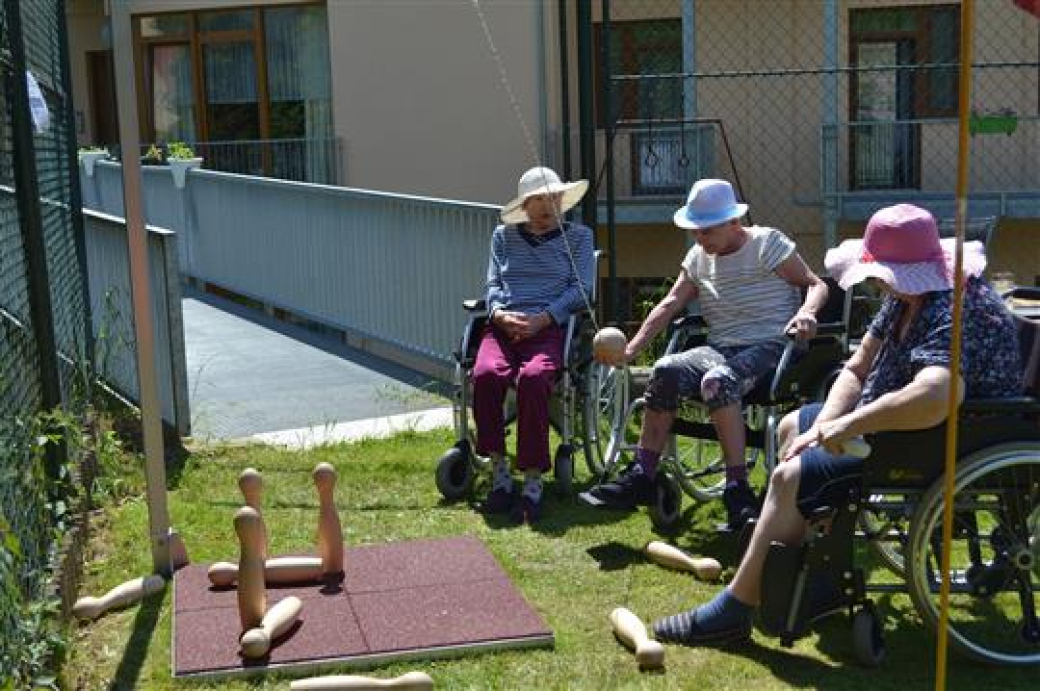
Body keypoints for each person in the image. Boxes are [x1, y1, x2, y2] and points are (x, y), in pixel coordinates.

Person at [651, 203, 1023, 647]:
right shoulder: (907, 297)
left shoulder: (956, 308)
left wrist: (848, 425)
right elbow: (858, 366)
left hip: (938, 438)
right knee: (792, 426)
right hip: (893, 426)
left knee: (790, 476)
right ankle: (814, 576)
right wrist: (825, 423)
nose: (871, 278)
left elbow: (935, 395)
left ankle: (737, 607)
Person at [589, 178, 828, 530]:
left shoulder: (767, 244)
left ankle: (737, 488)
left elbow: (816, 284)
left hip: (774, 346)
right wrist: (633, 348)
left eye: (707, 230)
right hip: (720, 348)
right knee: (666, 368)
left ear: (734, 222)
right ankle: (643, 474)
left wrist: (806, 313)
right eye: (695, 231)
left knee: (718, 381)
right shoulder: (698, 257)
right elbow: (671, 303)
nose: (700, 238)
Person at [473, 166, 595, 524]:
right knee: (485, 374)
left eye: (553, 198)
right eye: (539, 199)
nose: (547, 205)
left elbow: (583, 289)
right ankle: (499, 474)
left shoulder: (579, 237)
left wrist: (545, 317)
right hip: (503, 326)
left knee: (533, 378)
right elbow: (492, 284)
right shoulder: (503, 237)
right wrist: (498, 315)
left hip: (549, 327)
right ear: (524, 205)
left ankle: (532, 482)